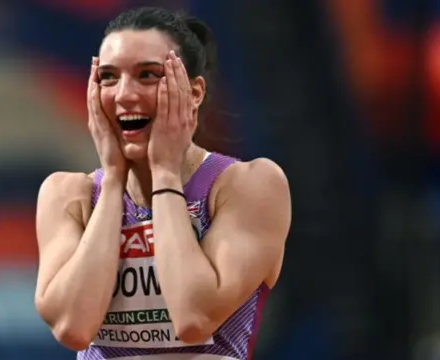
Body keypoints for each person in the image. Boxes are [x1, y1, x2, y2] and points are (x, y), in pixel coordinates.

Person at [34, 6, 291, 360]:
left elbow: (194, 317)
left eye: (148, 75)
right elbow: (72, 327)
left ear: (195, 92)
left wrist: (166, 174)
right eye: (109, 77)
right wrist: (112, 182)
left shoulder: (246, 185)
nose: (124, 94)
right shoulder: (67, 194)